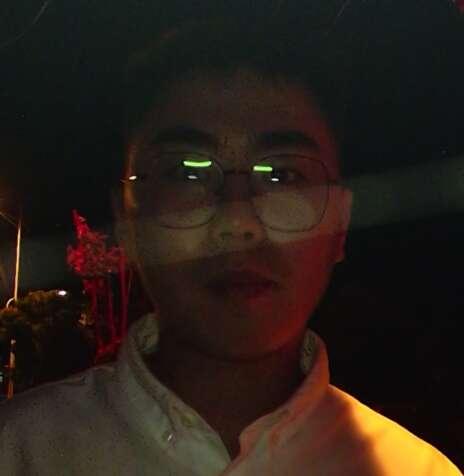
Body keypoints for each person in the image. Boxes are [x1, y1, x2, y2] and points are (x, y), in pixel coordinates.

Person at [0, 18, 461, 475]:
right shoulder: (19, 450)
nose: (237, 221)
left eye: (282, 175)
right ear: (127, 220)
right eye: (188, 171)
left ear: (340, 224)